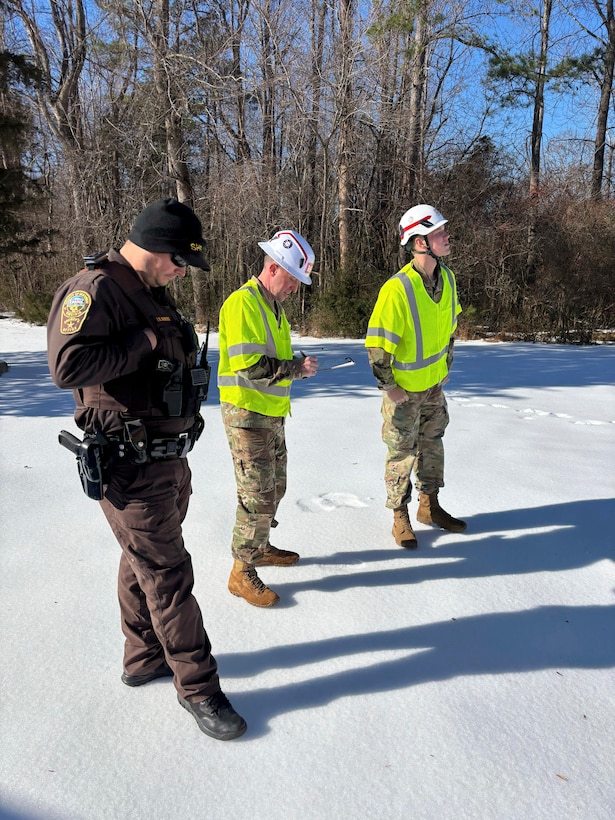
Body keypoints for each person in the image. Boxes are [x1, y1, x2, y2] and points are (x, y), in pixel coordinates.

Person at [47, 198, 247, 741]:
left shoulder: (148, 291)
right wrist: (144, 343)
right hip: (129, 469)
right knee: (168, 576)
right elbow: (67, 366)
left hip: (165, 464)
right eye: (179, 261)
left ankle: (144, 657)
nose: (183, 272)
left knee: (143, 564)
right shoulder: (96, 290)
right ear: (156, 247)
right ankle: (200, 689)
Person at [217, 230, 318, 607]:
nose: (295, 288)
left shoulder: (273, 307)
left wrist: (296, 367)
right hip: (247, 415)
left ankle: (258, 547)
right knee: (256, 496)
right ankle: (241, 572)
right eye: (292, 279)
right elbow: (249, 366)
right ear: (273, 268)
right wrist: (295, 368)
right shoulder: (243, 304)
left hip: (271, 414)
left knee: (275, 489)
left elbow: (272, 360)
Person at [365, 204, 466, 549]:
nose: (447, 236)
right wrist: (389, 387)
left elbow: (451, 328)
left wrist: (446, 367)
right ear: (420, 242)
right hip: (404, 393)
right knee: (401, 454)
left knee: (432, 446)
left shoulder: (448, 278)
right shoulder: (397, 289)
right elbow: (378, 347)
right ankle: (400, 516)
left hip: (434, 388)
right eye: (439, 232)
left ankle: (429, 506)